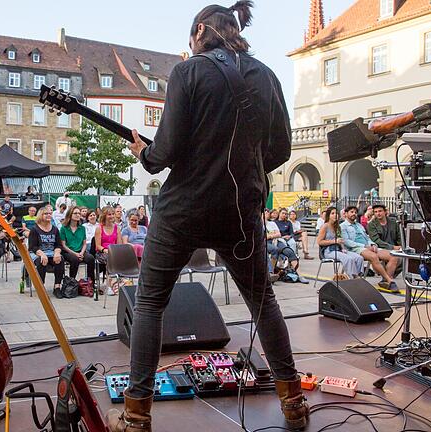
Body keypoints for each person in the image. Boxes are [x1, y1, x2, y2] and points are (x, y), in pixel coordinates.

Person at [110, 4, 308, 430]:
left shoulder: (188, 72)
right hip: (240, 214)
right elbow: (282, 151)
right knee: (263, 304)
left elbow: (164, 153)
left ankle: (136, 415)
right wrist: (243, 171)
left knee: (149, 304)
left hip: (182, 210)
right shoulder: (268, 76)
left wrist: (142, 153)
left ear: (200, 31)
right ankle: (293, 402)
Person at [341, 206, 399, 293]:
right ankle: (390, 280)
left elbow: (367, 238)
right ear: (346, 214)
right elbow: (347, 242)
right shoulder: (342, 226)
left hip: (368, 246)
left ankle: (385, 281)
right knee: (374, 257)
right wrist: (365, 246)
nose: (354, 214)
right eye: (351, 212)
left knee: (393, 256)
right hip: (356, 248)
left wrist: (372, 244)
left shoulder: (359, 225)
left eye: (355, 212)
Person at [27, 206, 65, 297]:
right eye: (46, 214)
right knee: (41, 261)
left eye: (49, 213)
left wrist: (57, 253)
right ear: (40, 215)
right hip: (37, 253)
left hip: (51, 252)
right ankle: (41, 287)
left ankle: (57, 287)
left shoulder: (55, 229)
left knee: (60, 260)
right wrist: (42, 254)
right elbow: (33, 247)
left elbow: (58, 245)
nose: (48, 215)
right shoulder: (34, 229)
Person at [317, 207, 364, 279]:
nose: (335, 215)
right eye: (332, 213)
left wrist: (342, 247)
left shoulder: (337, 227)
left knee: (359, 258)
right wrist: (334, 241)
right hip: (329, 251)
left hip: (339, 249)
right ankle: (354, 278)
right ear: (328, 215)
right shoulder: (325, 226)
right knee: (348, 259)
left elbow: (340, 240)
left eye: (336, 213)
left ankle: (358, 276)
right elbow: (319, 242)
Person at [59, 206, 96, 283]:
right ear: (70, 215)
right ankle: (71, 282)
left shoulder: (82, 228)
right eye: (75, 213)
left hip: (80, 251)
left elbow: (84, 243)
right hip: (68, 252)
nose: (78, 215)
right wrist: (76, 254)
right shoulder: (64, 228)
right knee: (75, 259)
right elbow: (63, 245)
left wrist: (81, 253)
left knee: (91, 258)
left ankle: (90, 283)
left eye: (79, 213)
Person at [94, 206, 121, 295]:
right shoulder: (99, 228)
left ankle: (118, 282)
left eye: (113, 214)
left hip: (114, 251)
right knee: (109, 257)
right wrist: (105, 250)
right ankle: (109, 285)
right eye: (109, 214)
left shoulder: (117, 228)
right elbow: (98, 246)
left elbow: (119, 244)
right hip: (102, 252)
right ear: (104, 216)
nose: (112, 216)